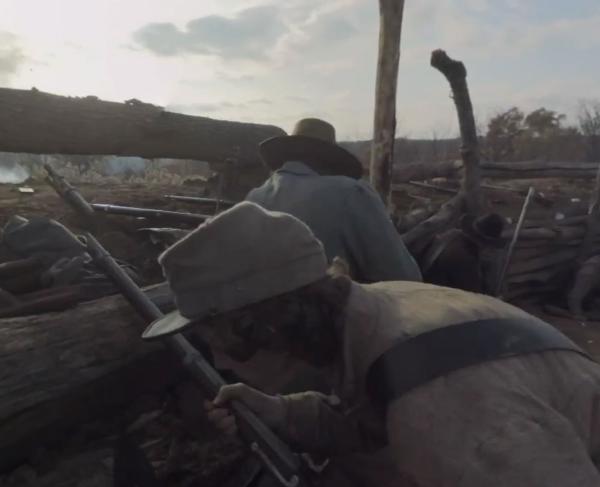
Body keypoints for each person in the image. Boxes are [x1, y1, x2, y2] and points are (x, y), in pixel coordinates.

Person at [143, 202, 600, 487]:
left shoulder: (442, 410)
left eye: (220, 342)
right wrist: (281, 414)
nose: (220, 361)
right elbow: (370, 418)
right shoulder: (376, 314)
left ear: (267, 327)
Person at [246, 117, 421, 283]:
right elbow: (404, 277)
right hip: (326, 311)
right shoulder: (351, 192)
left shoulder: (254, 198)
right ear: (329, 158)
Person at [417, 213, 506, 294]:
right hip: (435, 293)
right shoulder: (465, 259)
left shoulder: (452, 234)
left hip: (425, 279)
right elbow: (475, 294)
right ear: (484, 242)